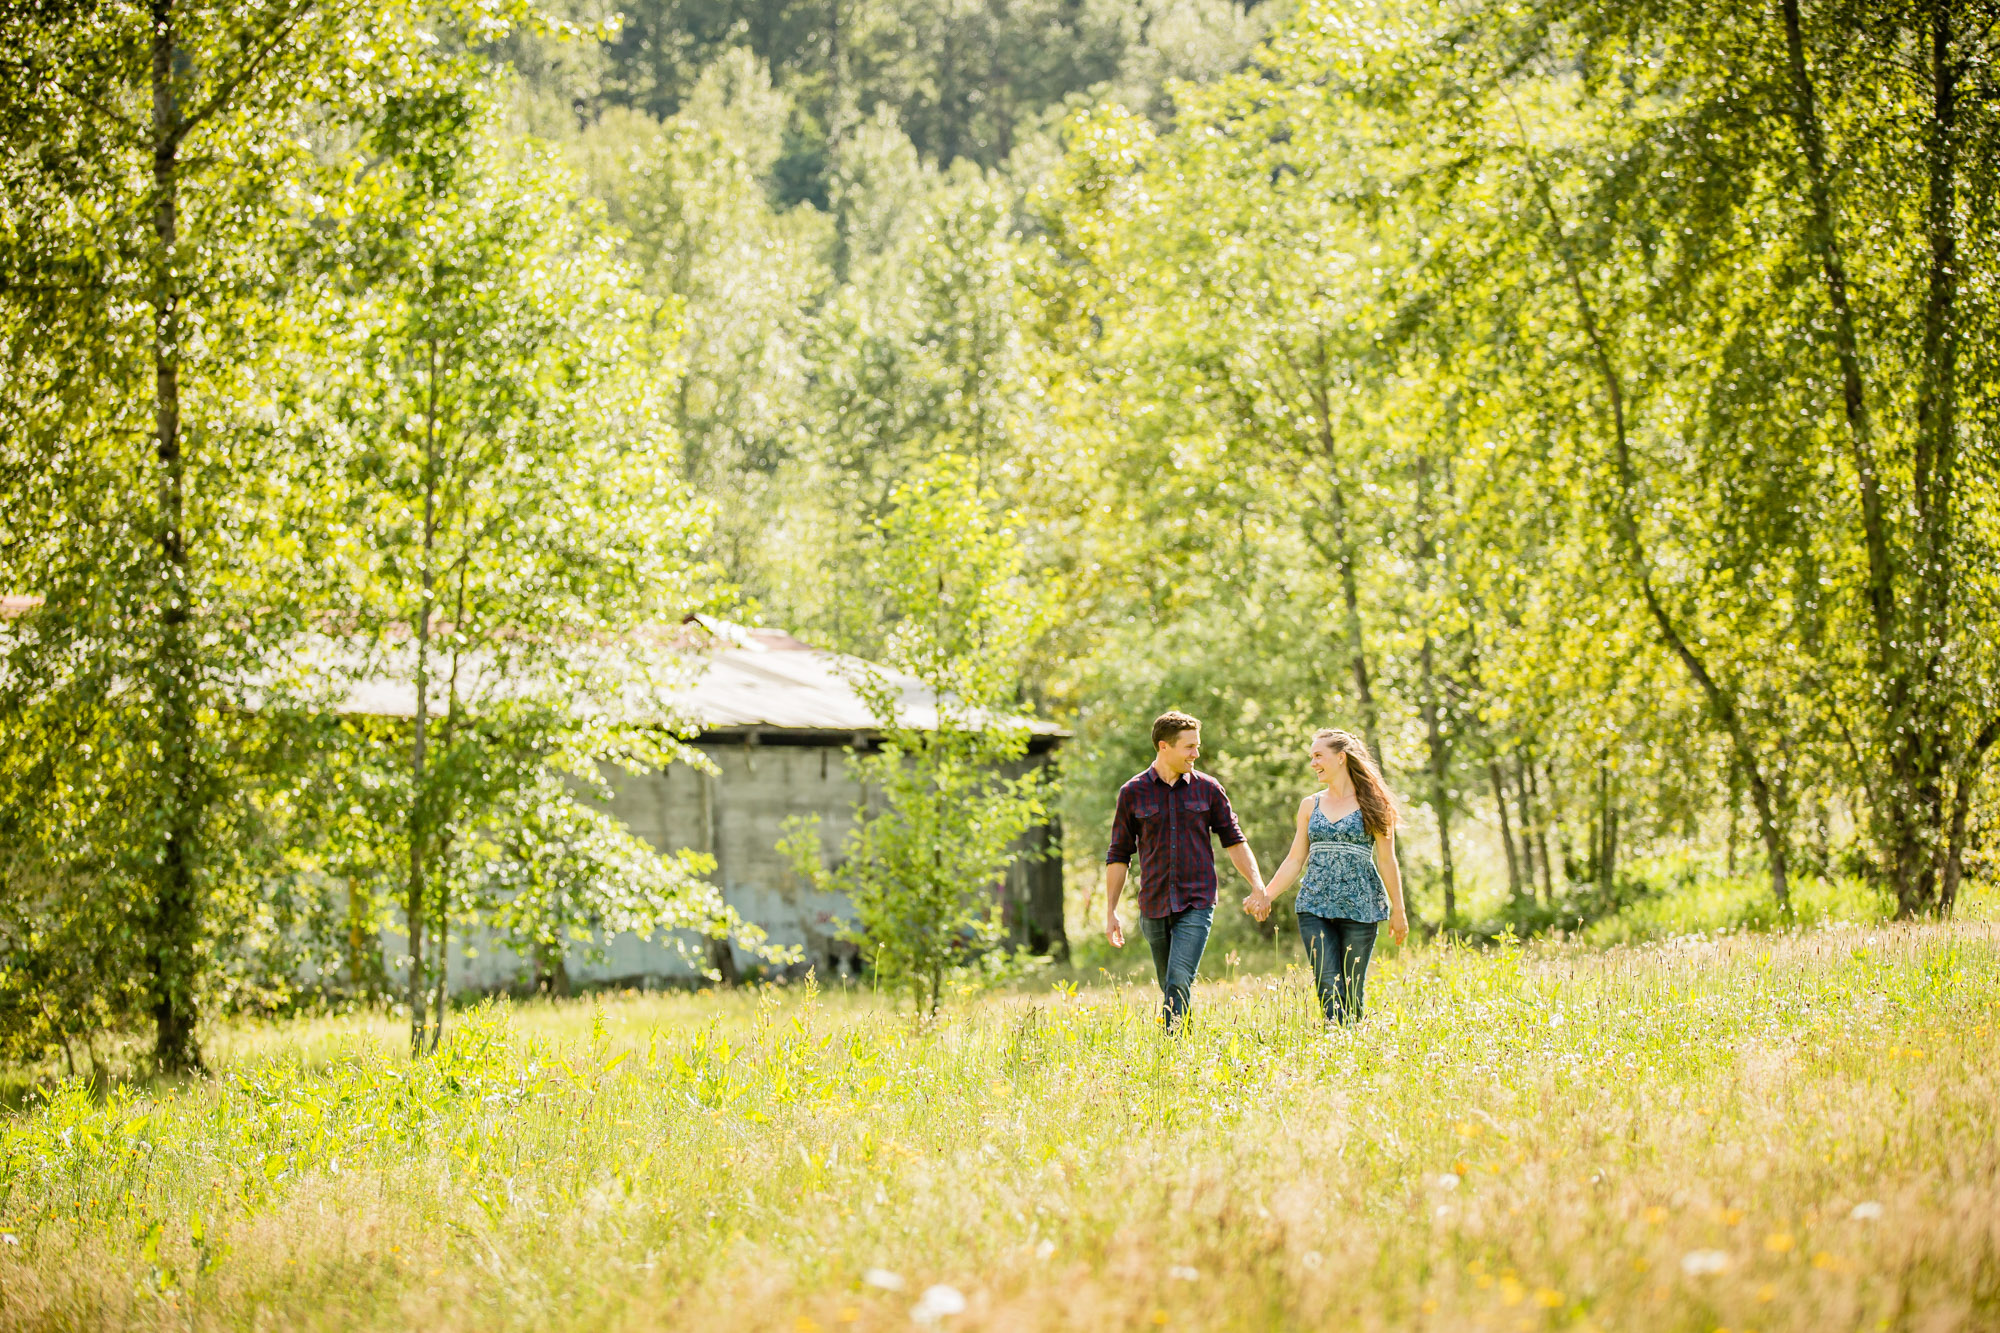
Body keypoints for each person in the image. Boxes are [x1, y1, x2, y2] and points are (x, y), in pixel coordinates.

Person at [1105, 710, 1266, 1032]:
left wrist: (1258, 886)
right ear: (1163, 746)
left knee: (1178, 978)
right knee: (1170, 984)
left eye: (1197, 746)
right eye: (1189, 747)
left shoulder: (1208, 789)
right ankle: (1183, 1044)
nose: (1196, 753)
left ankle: (1173, 1043)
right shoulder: (1132, 793)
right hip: (1153, 903)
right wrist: (1110, 911)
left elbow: (1234, 840)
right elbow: (1119, 855)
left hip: (1197, 900)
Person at [1244, 729, 1409, 1026]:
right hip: (1314, 905)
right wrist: (1266, 894)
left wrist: (1399, 910)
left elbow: (1387, 860)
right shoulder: (1310, 805)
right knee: (1327, 982)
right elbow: (1295, 859)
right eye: (1312, 757)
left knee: (1352, 987)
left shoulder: (1375, 804)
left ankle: (1353, 1046)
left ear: (1341, 758)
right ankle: (1334, 1038)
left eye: (1318, 756)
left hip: (1361, 906)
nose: (1313, 763)